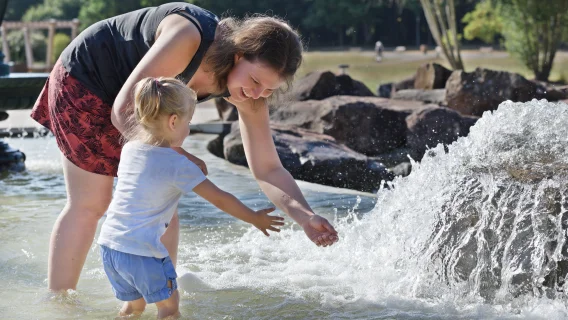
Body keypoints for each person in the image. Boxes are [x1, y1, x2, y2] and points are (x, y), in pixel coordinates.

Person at [30, 2, 339, 296]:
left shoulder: (251, 95)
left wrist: (305, 216)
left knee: (164, 200)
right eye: (256, 80)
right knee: (91, 203)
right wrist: (179, 157)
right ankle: (59, 300)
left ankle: (162, 296)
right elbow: (123, 110)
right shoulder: (190, 36)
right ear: (238, 54)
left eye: (269, 89)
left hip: (139, 106)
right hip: (89, 80)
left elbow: (268, 168)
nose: (257, 93)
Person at [98, 77, 283, 318]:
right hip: (141, 252)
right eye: (189, 123)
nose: (188, 129)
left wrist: (187, 158)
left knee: (134, 307)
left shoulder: (130, 149)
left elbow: (158, 156)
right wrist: (253, 217)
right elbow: (220, 199)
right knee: (169, 308)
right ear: (174, 121)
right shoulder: (178, 166)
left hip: (110, 247)